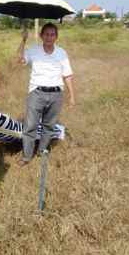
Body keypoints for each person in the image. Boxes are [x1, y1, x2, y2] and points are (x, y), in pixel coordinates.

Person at [17, 22, 75, 165]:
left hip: (56, 94)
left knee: (49, 125)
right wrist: (23, 40)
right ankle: (26, 156)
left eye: (52, 34)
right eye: (47, 34)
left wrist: (72, 96)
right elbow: (20, 60)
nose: (49, 37)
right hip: (37, 93)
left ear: (56, 37)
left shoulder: (61, 53)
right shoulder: (33, 50)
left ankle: (42, 150)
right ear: (41, 36)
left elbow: (67, 75)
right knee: (30, 125)